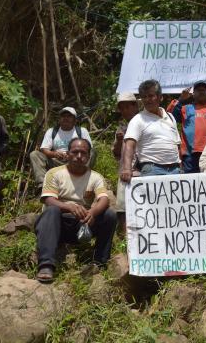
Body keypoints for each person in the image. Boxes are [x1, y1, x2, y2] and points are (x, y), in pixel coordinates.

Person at [34, 138, 117, 283]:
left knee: (109, 214)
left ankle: (100, 262)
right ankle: (46, 265)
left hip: (82, 224)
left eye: (83, 153)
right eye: (75, 152)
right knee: (52, 210)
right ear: (68, 154)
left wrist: (92, 213)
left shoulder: (96, 177)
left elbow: (104, 199)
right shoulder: (54, 173)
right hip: (56, 224)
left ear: (89, 155)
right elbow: (48, 199)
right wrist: (69, 206)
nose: (79, 156)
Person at [120, 80, 181, 183]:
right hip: (152, 170)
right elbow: (129, 145)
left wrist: (180, 166)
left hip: (175, 170)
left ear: (160, 97)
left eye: (151, 96)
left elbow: (177, 145)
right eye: (144, 97)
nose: (147, 99)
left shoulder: (170, 117)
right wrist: (127, 169)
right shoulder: (137, 120)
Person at [172, 80, 206, 173]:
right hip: (190, 155)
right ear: (193, 94)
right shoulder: (185, 107)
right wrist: (181, 99)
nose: (201, 92)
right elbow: (170, 117)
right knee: (190, 184)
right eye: (198, 90)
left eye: (204, 90)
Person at [30, 107, 93, 186]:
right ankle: (42, 184)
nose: (66, 118)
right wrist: (55, 154)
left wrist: (72, 155)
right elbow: (44, 149)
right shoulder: (52, 131)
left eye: (69, 116)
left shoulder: (81, 131)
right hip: (56, 161)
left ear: (75, 120)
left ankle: (82, 177)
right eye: (63, 116)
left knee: (93, 152)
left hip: (76, 161)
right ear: (59, 119)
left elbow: (88, 148)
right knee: (34, 154)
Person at [111, 92, 139, 230]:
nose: (124, 111)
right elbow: (116, 153)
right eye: (122, 108)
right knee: (122, 207)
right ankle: (125, 238)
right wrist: (119, 141)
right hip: (125, 171)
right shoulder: (121, 128)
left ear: (135, 107)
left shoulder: (144, 123)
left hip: (142, 170)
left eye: (127, 107)